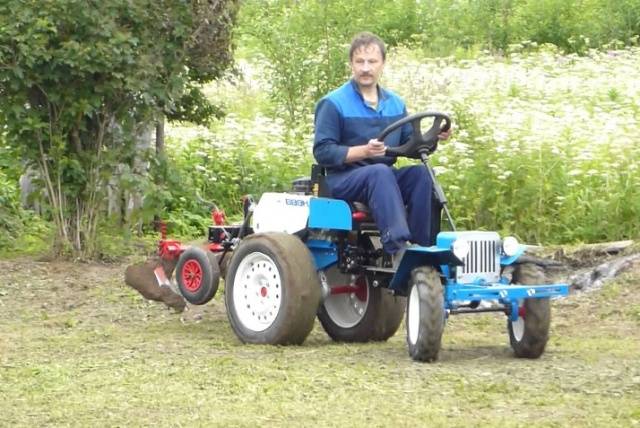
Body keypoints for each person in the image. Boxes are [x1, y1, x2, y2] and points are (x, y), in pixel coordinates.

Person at [313, 32, 451, 259]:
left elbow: (412, 146)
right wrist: (364, 151)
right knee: (380, 172)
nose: (366, 68)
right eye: (360, 62)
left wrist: (434, 137)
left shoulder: (395, 104)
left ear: (382, 64)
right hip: (344, 178)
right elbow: (323, 151)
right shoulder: (333, 103)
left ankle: (423, 249)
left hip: (383, 177)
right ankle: (398, 249)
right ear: (351, 64)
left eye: (372, 62)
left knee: (422, 175)